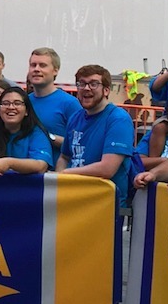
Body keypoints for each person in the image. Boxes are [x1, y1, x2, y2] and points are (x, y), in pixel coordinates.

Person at [57, 65, 136, 205]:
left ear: (106, 90)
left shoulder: (118, 119)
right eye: (81, 84)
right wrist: (59, 182)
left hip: (104, 204)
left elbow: (108, 169)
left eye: (93, 84)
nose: (86, 88)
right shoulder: (75, 117)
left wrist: (65, 174)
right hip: (72, 199)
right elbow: (64, 156)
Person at [26, 48, 80, 149]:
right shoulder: (24, 102)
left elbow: (82, 143)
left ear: (55, 71)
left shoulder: (70, 104)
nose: (36, 69)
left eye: (43, 65)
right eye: (33, 65)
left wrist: (49, 137)